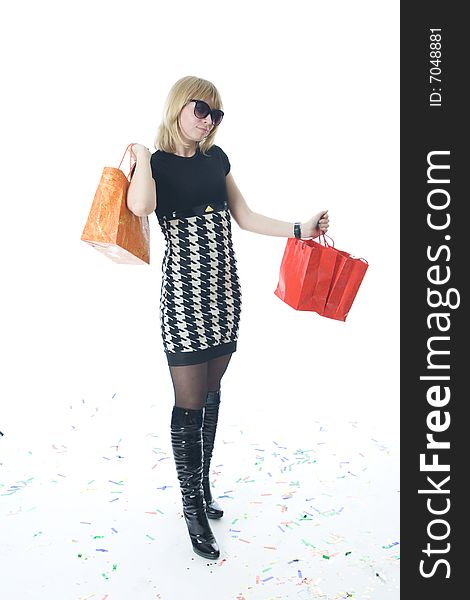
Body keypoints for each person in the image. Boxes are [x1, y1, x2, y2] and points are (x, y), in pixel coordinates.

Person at [126, 75, 329, 560]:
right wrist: (140, 152)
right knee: (189, 401)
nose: (207, 120)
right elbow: (141, 205)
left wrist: (299, 228)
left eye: (215, 114)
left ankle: (203, 488)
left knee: (213, 394)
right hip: (184, 296)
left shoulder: (217, 160)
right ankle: (191, 505)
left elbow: (246, 216)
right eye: (201, 109)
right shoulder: (156, 164)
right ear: (179, 105)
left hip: (223, 292)